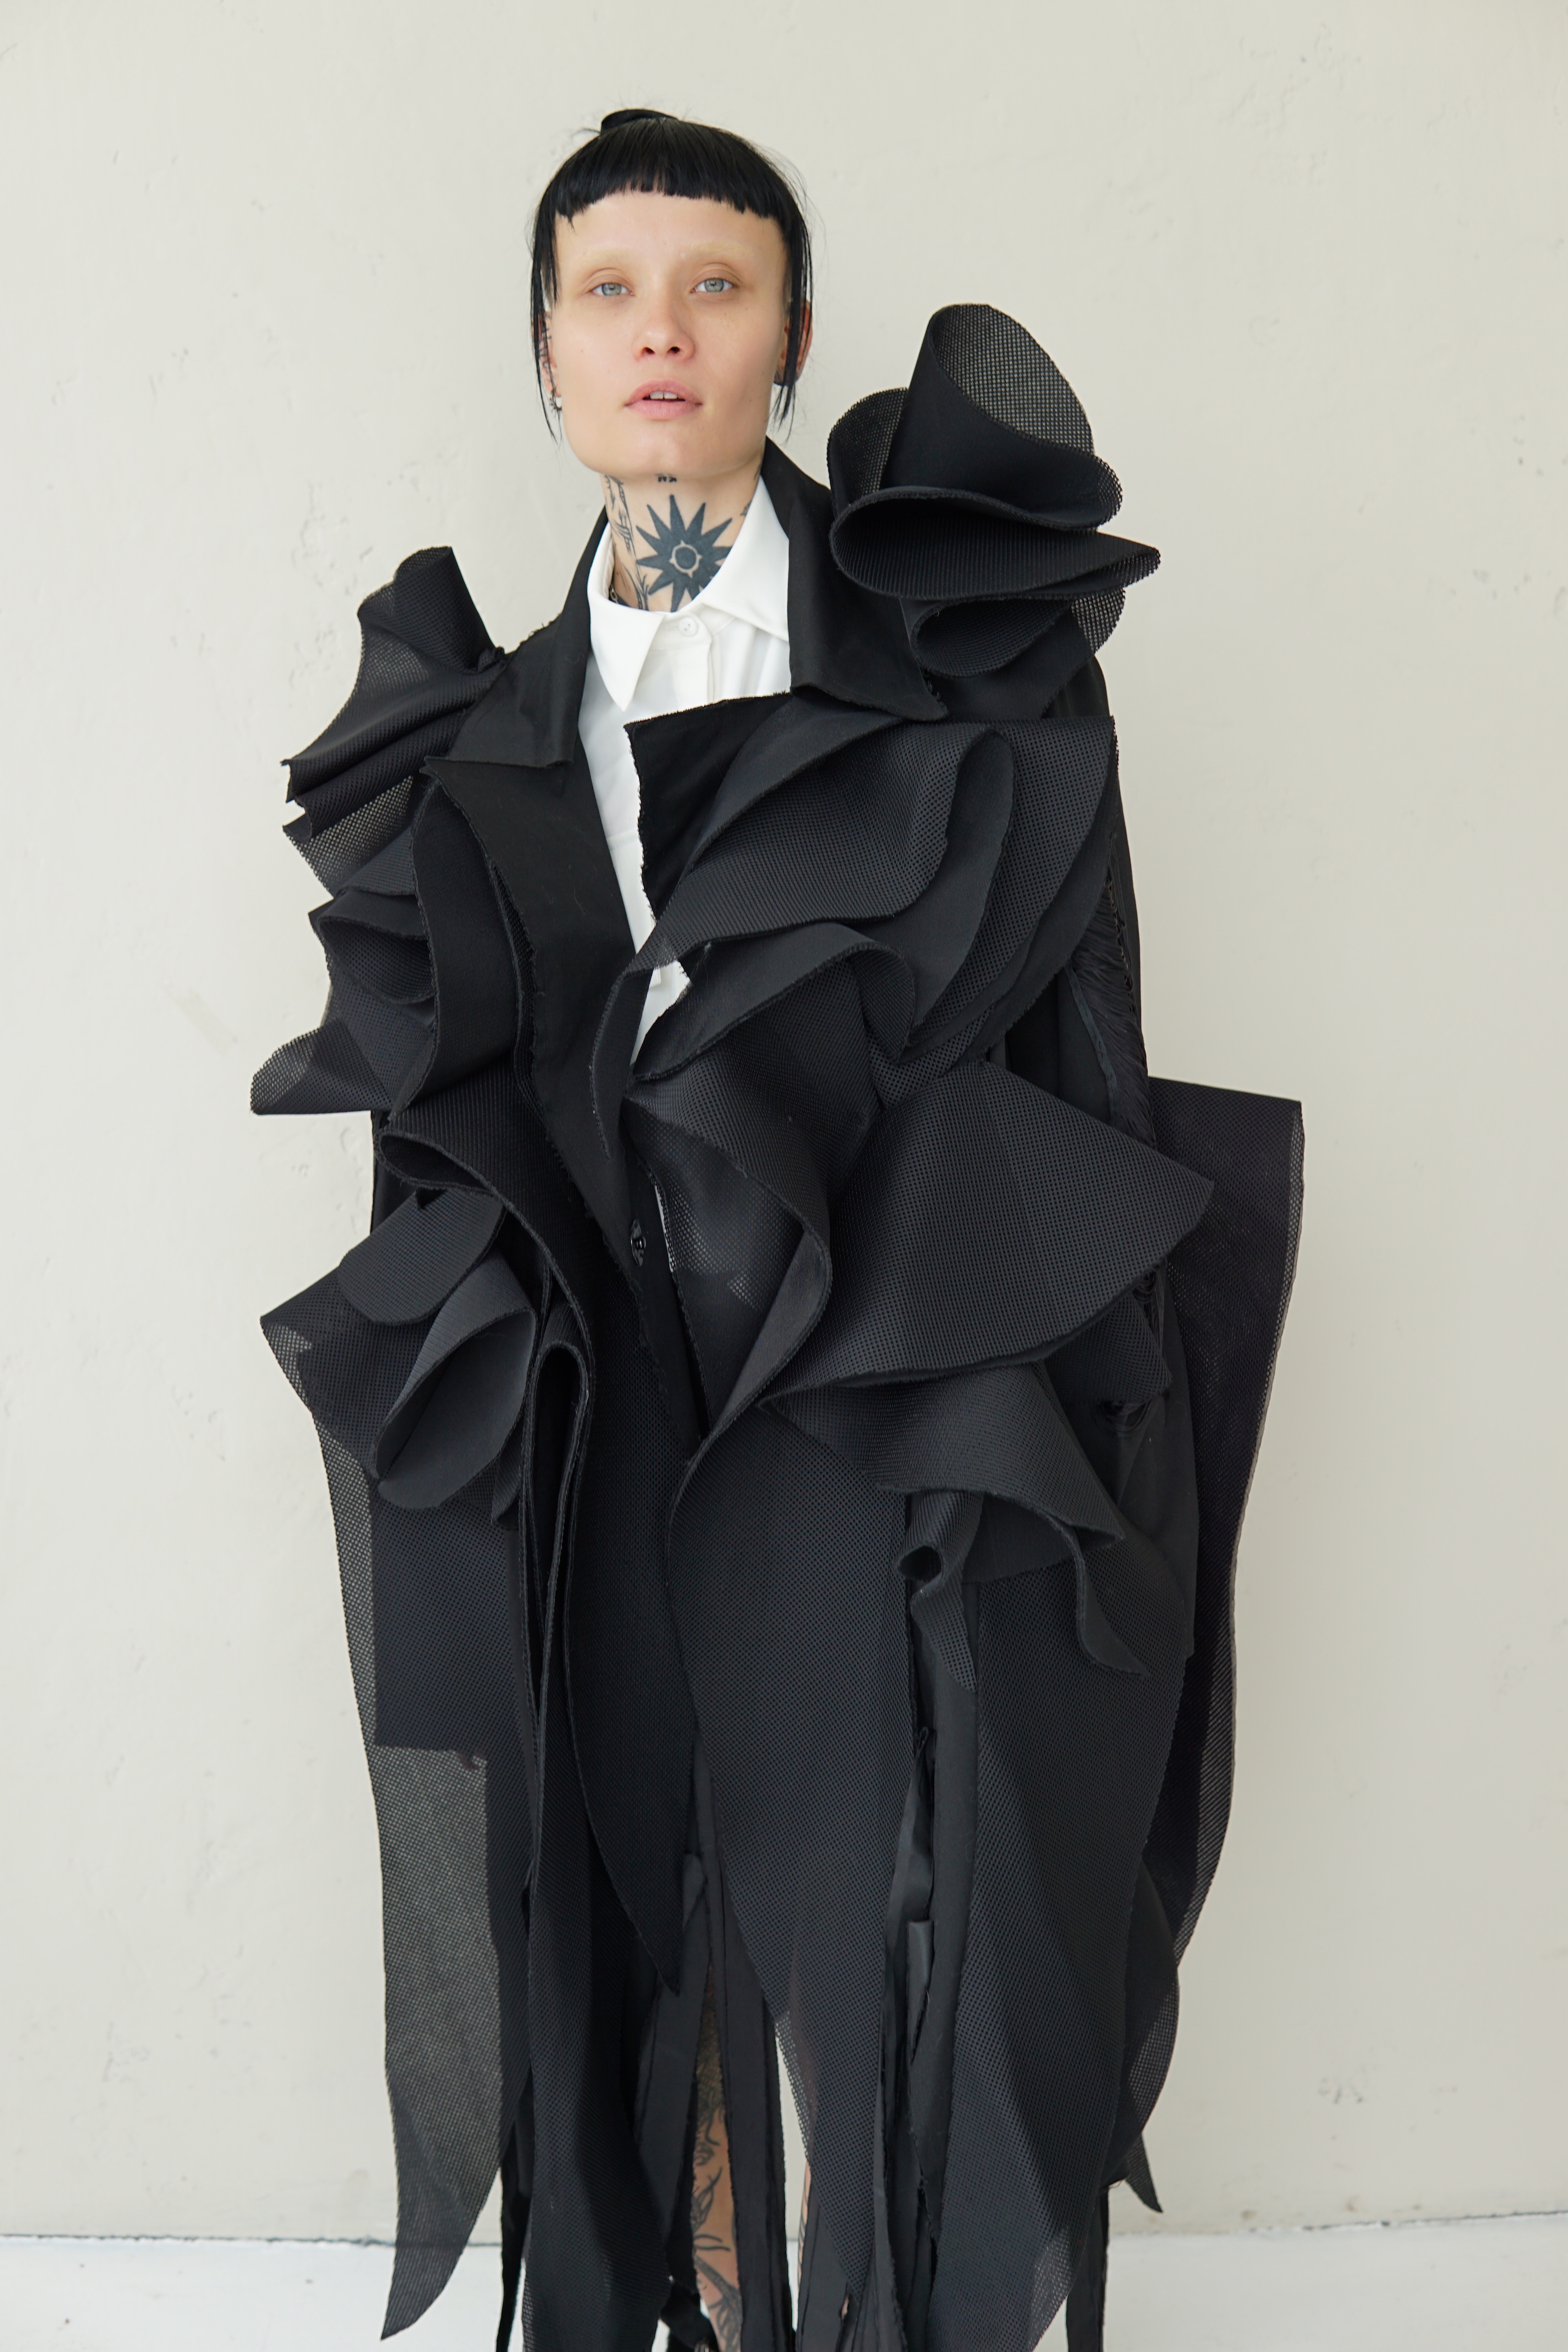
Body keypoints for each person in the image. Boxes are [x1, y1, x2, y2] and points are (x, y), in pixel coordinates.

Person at [254, 110, 1302, 2352]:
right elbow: (439, 1133)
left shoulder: (979, 669)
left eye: (715, 286)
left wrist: (1082, 1419)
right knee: (635, 1891)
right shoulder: (467, 735)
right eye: (610, 290)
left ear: (792, 337)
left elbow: (1085, 1047)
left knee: (918, 1901)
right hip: (603, 1390)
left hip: (894, 1369)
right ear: (548, 353)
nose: (663, 331)